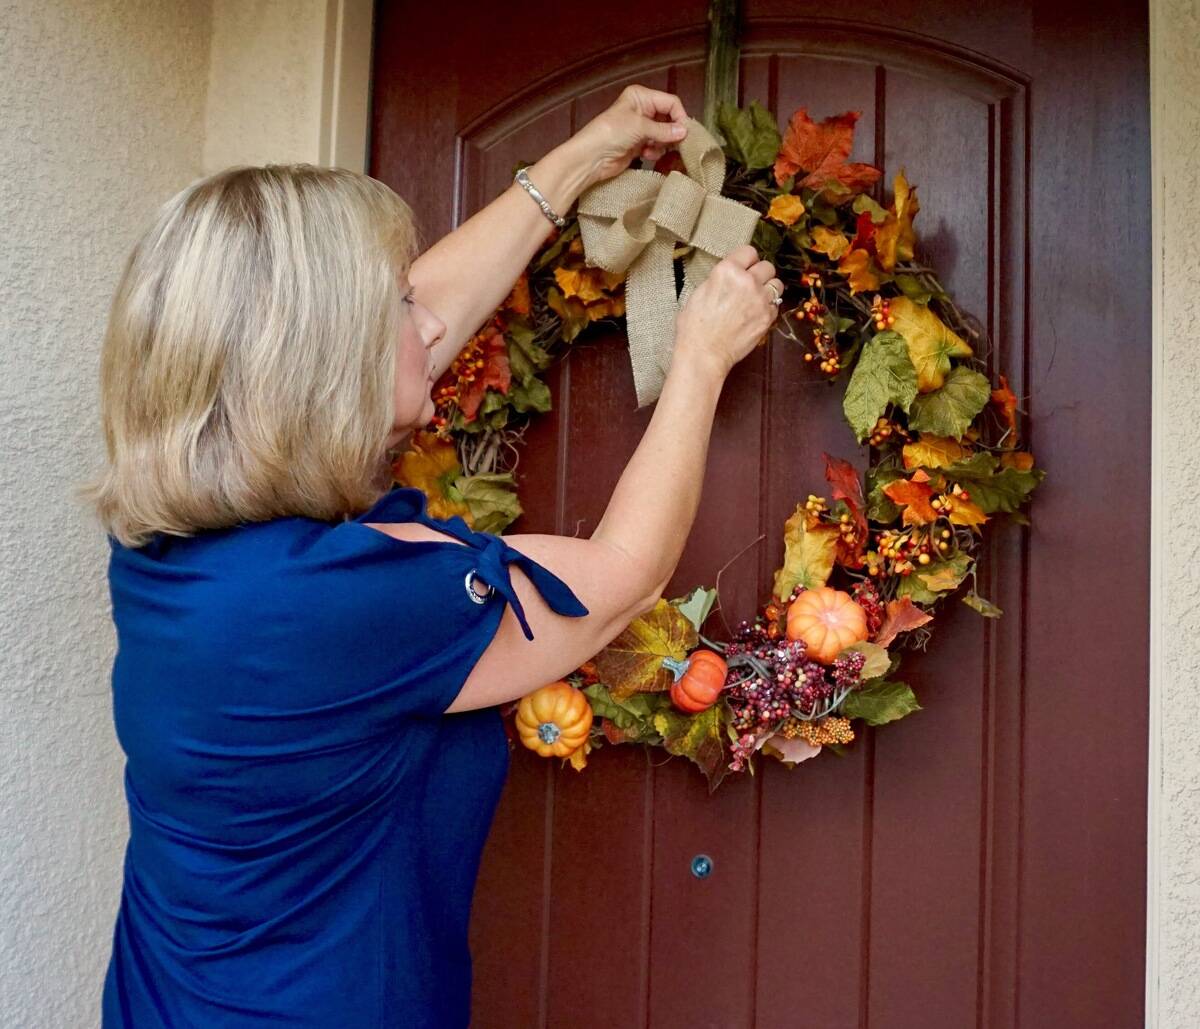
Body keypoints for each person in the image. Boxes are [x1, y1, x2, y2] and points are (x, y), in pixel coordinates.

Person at [80, 83, 783, 1027]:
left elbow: (424, 323)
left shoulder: (164, 549)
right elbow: (617, 581)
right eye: (398, 303)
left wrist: (577, 164)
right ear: (324, 364)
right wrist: (700, 355)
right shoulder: (345, 598)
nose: (431, 323)